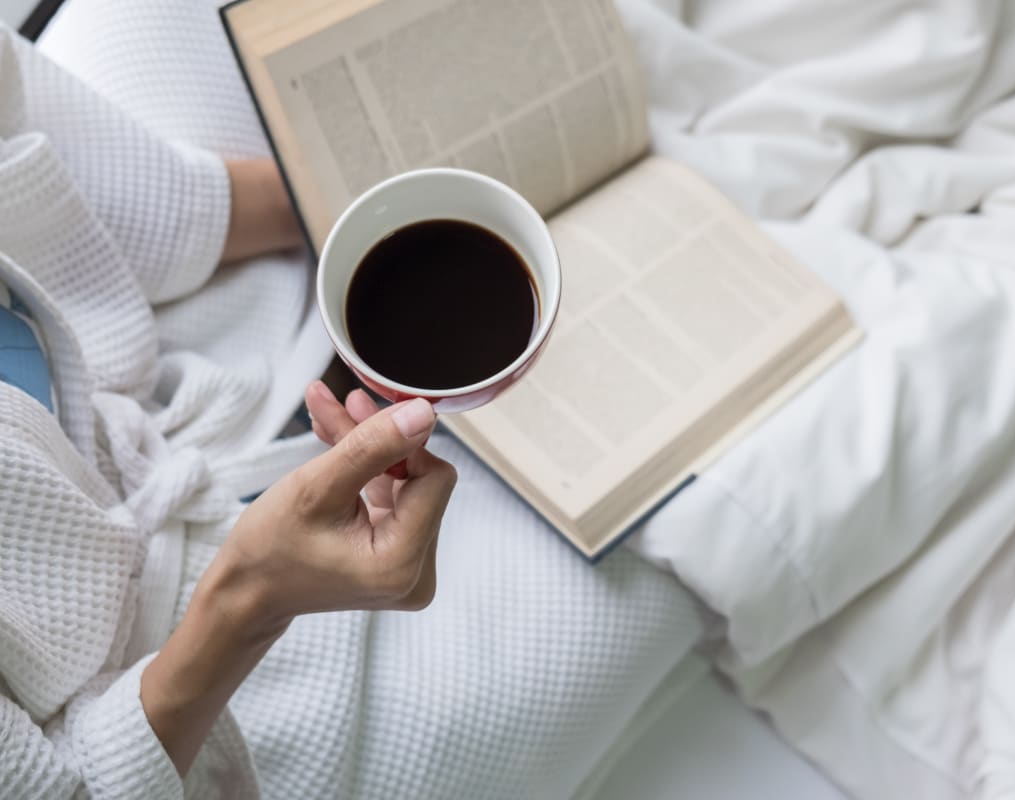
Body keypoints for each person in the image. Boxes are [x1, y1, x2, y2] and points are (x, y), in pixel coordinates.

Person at [0, 4, 703, 798]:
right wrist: (253, 597)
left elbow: (25, 169)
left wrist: (336, 213)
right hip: (170, 674)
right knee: (676, 533)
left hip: (104, 332)